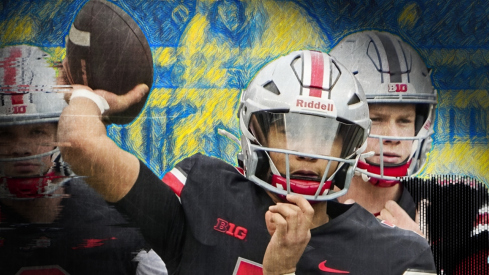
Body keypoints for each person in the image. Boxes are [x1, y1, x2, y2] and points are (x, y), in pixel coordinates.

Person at [58, 50, 436, 274]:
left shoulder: (397, 254)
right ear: (258, 131)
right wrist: (91, 98)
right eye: (290, 130)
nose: (306, 151)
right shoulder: (203, 194)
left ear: (349, 146)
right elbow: (79, 143)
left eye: (325, 135)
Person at [0, 45, 165, 274]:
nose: (21, 149)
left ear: (60, 132)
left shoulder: (118, 218)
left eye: (37, 132)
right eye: (5, 135)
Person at [329, 30, 437, 236]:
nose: (393, 137)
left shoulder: (455, 207)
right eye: (376, 120)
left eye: (404, 121)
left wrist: (421, 257)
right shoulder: (303, 211)